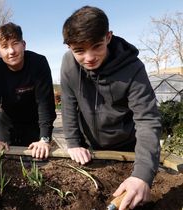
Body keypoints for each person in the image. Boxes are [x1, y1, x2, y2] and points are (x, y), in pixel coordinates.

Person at [60, 6, 161, 210]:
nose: (89, 57)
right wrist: (72, 142)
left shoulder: (133, 68)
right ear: (69, 47)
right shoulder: (68, 64)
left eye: (96, 46)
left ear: (108, 37)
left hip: (127, 148)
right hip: (90, 151)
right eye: (79, 50)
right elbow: (69, 103)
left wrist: (142, 175)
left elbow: (147, 120)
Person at [0, 22, 57, 159]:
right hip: (7, 124)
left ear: (23, 45)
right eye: (5, 46)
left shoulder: (38, 62)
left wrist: (45, 138)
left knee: (36, 162)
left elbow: (45, 102)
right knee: (6, 162)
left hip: (34, 123)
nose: (11, 51)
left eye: (15, 43)